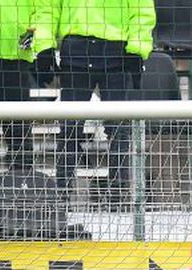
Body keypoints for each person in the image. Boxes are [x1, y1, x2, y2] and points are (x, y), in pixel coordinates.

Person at [37, 0, 156, 198]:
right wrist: (44, 46)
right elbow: (48, 8)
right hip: (77, 53)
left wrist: (137, 49)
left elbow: (142, 10)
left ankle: (117, 194)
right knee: (71, 127)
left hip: (116, 53)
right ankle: (62, 194)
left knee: (118, 128)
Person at [0, 0, 54, 169]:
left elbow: (42, 10)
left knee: (18, 133)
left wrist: (43, 45)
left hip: (14, 60)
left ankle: (21, 188)